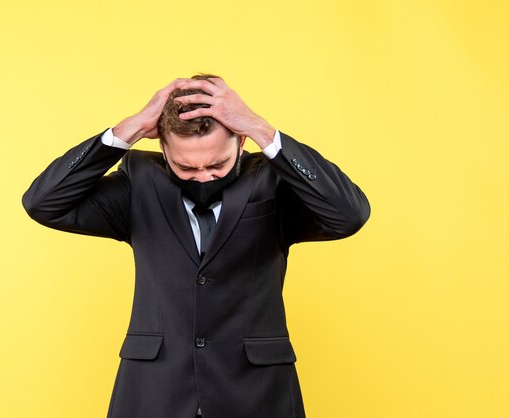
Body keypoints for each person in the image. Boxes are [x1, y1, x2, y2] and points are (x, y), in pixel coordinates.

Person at [22, 74, 371, 418]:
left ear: (241, 142)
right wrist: (124, 132)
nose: (203, 176)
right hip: (154, 392)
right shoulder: (140, 183)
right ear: (162, 149)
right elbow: (44, 203)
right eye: (185, 166)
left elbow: (349, 214)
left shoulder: (271, 183)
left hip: (256, 392)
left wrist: (262, 129)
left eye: (217, 164)